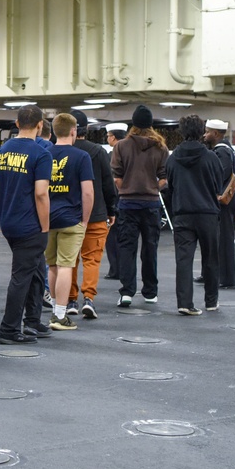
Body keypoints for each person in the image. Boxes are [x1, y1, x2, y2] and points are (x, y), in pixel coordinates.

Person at [0, 105, 52, 345]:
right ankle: (8, 329)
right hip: (30, 225)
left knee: (36, 271)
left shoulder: (3, 150)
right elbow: (41, 194)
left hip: (9, 221)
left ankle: (32, 320)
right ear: (40, 125)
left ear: (17, 124)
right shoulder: (41, 153)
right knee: (21, 277)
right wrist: (45, 226)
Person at [111, 105, 167, 307]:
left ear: (133, 123)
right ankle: (150, 292)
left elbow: (116, 176)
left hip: (127, 204)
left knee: (127, 248)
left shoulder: (121, 146)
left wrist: (125, 187)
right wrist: (153, 187)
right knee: (150, 248)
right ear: (150, 124)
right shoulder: (161, 147)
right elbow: (164, 177)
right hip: (151, 203)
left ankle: (127, 292)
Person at [165, 115, 222, 315]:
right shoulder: (211, 157)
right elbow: (218, 186)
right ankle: (211, 301)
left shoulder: (172, 158)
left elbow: (169, 186)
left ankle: (184, 303)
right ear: (201, 132)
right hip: (207, 213)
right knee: (210, 258)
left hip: (182, 213)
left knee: (183, 259)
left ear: (182, 132)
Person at [65, 111, 117, 319]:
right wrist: (112, 210)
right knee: (91, 260)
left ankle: (70, 300)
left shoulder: (59, 151)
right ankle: (89, 298)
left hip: (68, 215)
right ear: (86, 130)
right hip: (95, 214)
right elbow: (107, 184)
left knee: (69, 260)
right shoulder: (97, 152)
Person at [45, 113, 94, 331]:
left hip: (46, 220)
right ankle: (60, 316)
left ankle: (55, 307)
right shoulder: (82, 157)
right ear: (74, 131)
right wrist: (85, 220)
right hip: (71, 219)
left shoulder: (44, 153)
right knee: (66, 266)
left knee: (52, 265)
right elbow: (88, 193)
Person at [202, 119, 235, 289]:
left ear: (216, 134)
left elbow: (222, 173)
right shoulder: (226, 148)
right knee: (219, 238)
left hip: (225, 200)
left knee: (224, 239)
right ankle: (212, 274)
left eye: (207, 131)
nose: (205, 134)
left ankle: (226, 278)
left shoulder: (222, 152)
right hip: (230, 198)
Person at [103, 122, 128, 279]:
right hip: (130, 199)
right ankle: (125, 269)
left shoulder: (111, 156)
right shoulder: (132, 153)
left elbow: (108, 180)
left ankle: (115, 269)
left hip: (115, 199)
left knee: (112, 238)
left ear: (113, 137)